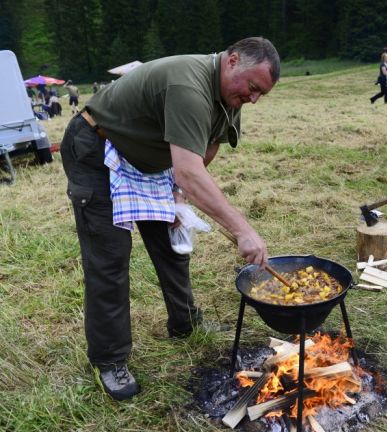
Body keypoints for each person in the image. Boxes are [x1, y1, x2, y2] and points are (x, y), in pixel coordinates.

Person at [59, 37, 281, 401]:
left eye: (261, 94)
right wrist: (243, 229)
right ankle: (110, 360)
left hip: (149, 164)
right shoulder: (188, 84)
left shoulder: (230, 94)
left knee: (173, 245)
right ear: (232, 60)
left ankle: (185, 322)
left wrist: (177, 198)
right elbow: (191, 171)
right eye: (253, 88)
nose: (253, 99)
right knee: (110, 259)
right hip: (98, 148)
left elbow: (209, 145)